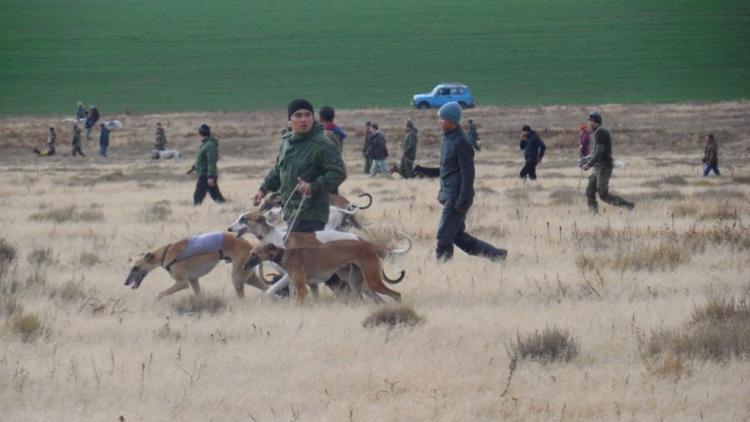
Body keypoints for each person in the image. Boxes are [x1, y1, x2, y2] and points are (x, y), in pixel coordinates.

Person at [252, 98, 346, 233]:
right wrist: (263, 190)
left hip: (311, 213)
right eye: (298, 115)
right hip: (290, 211)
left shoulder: (322, 144)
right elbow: (279, 170)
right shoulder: (287, 143)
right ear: (290, 120)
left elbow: (339, 173)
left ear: (313, 118)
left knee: (297, 252)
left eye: (308, 115)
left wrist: (312, 186)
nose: (303, 119)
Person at [435, 102, 507, 262]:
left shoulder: (461, 142)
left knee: (443, 235)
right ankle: (497, 255)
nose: (439, 122)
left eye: (442, 119)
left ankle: (441, 271)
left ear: (452, 121)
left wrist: (463, 199)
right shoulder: (447, 139)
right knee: (458, 236)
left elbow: (468, 175)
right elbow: (447, 169)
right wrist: (421, 170)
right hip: (449, 194)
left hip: (457, 197)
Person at [582, 112, 634, 212]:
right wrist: (587, 158)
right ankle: (594, 214)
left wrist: (589, 164)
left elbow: (600, 151)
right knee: (589, 191)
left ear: (595, 122)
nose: (588, 123)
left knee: (603, 194)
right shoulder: (598, 131)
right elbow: (596, 150)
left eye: (590, 121)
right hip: (598, 167)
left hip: (604, 167)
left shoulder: (600, 132)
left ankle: (628, 206)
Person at [187, 124, 225, 205]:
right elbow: (202, 160)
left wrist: (210, 176)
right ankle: (226, 207)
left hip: (206, 175)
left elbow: (211, 161)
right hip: (206, 174)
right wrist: (193, 168)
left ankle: (196, 212)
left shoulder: (210, 145)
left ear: (200, 133)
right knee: (216, 195)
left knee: (198, 196)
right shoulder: (206, 144)